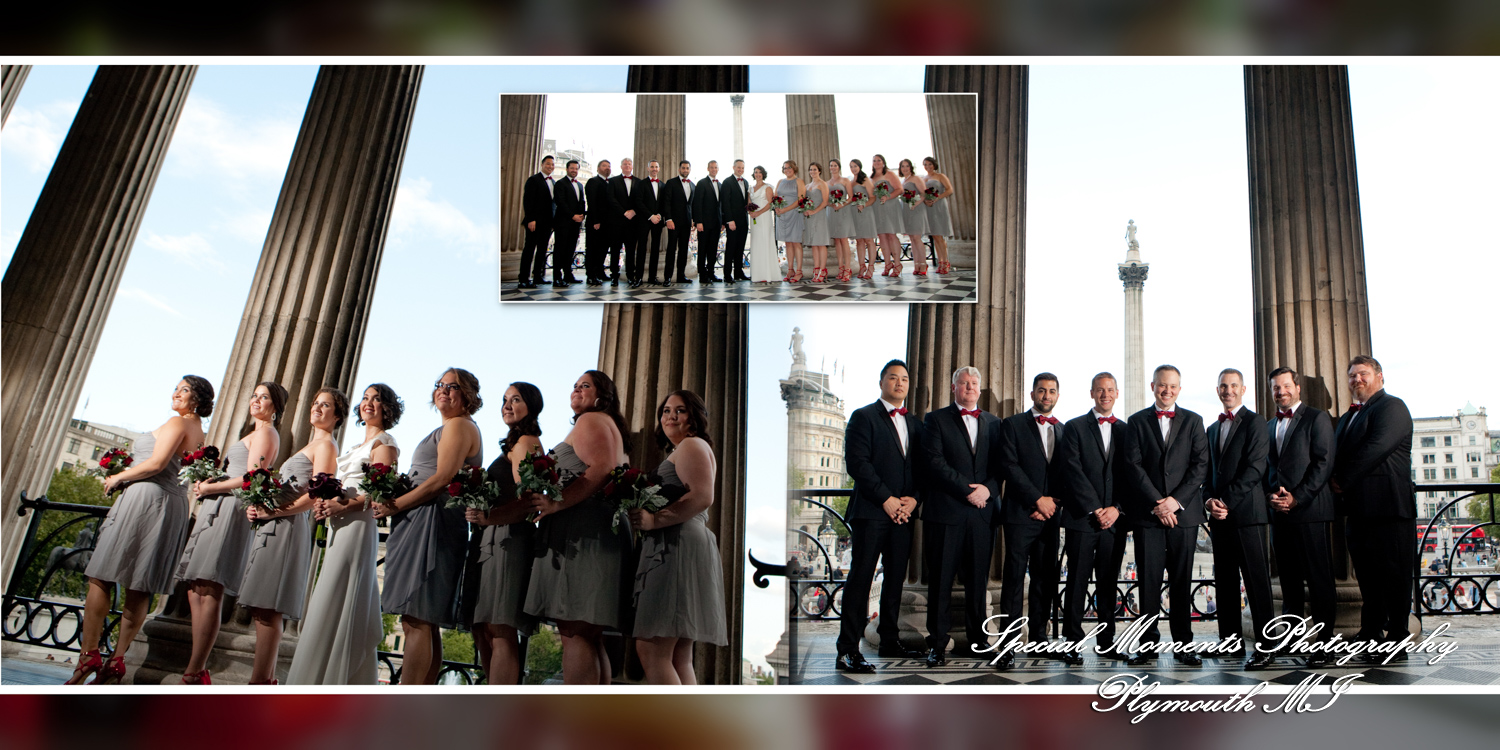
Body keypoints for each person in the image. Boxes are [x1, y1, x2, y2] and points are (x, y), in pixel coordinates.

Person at [69, 377, 212, 684]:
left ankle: (89, 655)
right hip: (171, 504)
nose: (176, 393)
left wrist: (119, 476)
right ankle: (117, 660)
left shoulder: (178, 422)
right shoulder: (199, 432)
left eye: (184, 390)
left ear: (197, 400)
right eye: (176, 387)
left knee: (100, 575)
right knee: (140, 585)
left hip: (146, 498)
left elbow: (157, 463)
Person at [373, 368, 483, 684]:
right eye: (440, 385)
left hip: (432, 521)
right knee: (423, 619)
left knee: (417, 617)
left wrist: (395, 505)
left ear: (468, 397)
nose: (443, 391)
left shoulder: (460, 425)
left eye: (453, 387)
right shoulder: (449, 427)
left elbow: (442, 478)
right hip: (422, 518)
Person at [287, 383, 402, 685]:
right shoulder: (355, 448)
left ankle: (333, 680)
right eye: (365, 398)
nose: (369, 403)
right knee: (329, 597)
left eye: (377, 400)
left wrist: (341, 507)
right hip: (339, 528)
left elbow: (377, 492)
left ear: (388, 409)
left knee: (341, 595)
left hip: (358, 529)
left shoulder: (385, 445)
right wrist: (328, 504)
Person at [176, 380, 287, 684]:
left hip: (231, 510)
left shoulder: (266, 433)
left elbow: (252, 477)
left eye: (263, 397)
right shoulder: (252, 433)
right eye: (254, 395)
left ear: (274, 406)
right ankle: (197, 668)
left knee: (210, 588)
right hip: (217, 506)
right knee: (195, 588)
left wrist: (211, 485)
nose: (256, 400)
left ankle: (195, 669)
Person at [524, 370, 631, 684]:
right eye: (575, 386)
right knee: (589, 634)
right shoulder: (609, 427)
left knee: (573, 631)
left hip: (584, 532)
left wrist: (556, 503)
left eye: (585, 386)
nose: (576, 390)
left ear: (602, 396)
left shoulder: (592, 420)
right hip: (600, 529)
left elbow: (601, 470)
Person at [239, 387, 345, 684]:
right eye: (315, 403)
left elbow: (316, 495)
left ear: (337, 416)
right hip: (276, 522)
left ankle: (259, 684)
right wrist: (260, 506)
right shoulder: (313, 445)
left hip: (287, 527)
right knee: (262, 608)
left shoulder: (325, 446)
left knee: (268, 609)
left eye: (326, 406)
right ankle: (265, 681)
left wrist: (274, 512)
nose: (317, 409)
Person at [629, 390, 729, 684]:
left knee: (651, 649)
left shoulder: (691, 446)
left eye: (680, 410)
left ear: (694, 418)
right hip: (681, 543)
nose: (670, 415)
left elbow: (702, 496)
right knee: (677, 656)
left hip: (677, 545)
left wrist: (654, 519)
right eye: (666, 410)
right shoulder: (686, 449)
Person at [838, 360, 924, 672]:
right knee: (860, 579)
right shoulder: (863, 417)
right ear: (881, 382)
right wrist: (887, 500)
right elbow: (857, 464)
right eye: (893, 377)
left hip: (904, 514)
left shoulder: (916, 424)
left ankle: (889, 638)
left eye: (904, 378)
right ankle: (847, 649)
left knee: (895, 579)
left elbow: (921, 469)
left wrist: (913, 500)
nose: (899, 383)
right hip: (872, 511)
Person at [1121, 364, 1208, 666]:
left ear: (1179, 389)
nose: (1166, 390)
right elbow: (1133, 466)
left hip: (1184, 515)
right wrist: (1159, 503)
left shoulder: (1195, 421)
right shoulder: (1136, 421)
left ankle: (1184, 645)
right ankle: (1147, 646)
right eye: (1161, 385)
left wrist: (1175, 502)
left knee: (1182, 581)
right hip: (1149, 515)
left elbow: (1200, 466)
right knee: (1148, 583)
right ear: (1153, 386)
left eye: (1172, 386)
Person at [1332, 355, 1415, 657]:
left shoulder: (1393, 406)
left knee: (1395, 575)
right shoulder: (1347, 417)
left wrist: (1342, 478)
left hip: (1389, 508)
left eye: (1363, 374)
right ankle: (1370, 632)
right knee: (1367, 578)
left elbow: (1376, 447)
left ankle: (1397, 636)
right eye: (1352, 375)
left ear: (1380, 376)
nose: (1357, 380)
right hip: (1358, 510)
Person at [919, 366, 1001, 668]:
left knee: (978, 583)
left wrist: (988, 491)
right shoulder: (936, 419)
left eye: (974, 383)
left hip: (982, 514)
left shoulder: (994, 423)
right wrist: (968, 490)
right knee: (940, 580)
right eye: (963, 382)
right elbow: (933, 462)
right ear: (953, 387)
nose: (969, 387)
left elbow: (1001, 466)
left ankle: (979, 641)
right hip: (947, 512)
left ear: (979, 388)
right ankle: (937, 644)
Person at [465, 383, 544, 685]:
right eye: (505, 400)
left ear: (532, 406)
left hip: (509, 541)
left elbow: (529, 499)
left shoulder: (526, 442)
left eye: (516, 400)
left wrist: (489, 517)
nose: (507, 405)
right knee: (485, 628)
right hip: (492, 538)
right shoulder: (514, 444)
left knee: (500, 628)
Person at [995, 373, 1068, 668]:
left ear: (1057, 396)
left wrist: (1053, 502)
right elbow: (1009, 466)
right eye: (1042, 390)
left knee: (1044, 580)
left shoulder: (1064, 431)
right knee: (1013, 580)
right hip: (1020, 514)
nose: (1046, 395)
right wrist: (1037, 500)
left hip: (1051, 517)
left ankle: (1039, 640)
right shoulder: (1012, 425)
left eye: (1052, 391)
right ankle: (1008, 643)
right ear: (1032, 394)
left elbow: (1068, 472)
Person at [1264, 368, 1336, 667]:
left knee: (1320, 581)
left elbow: (1323, 463)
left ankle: (1324, 645)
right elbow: (1268, 468)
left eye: (1285, 386)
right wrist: (1272, 496)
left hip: (1310, 511)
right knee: (1290, 582)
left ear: (1298, 389)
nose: (1280, 392)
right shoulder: (1268, 425)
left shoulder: (1317, 418)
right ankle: (1292, 639)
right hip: (1280, 514)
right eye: (1275, 388)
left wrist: (1297, 497)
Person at [1203, 368, 1274, 669]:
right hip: (1220, 518)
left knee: (1257, 583)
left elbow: (1255, 469)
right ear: (1217, 390)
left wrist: (1226, 502)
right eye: (1223, 386)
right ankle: (1230, 644)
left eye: (1233, 385)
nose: (1228, 390)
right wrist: (1209, 501)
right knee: (1226, 583)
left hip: (1248, 516)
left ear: (1243, 389)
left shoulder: (1256, 422)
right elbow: (1206, 473)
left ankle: (1267, 647)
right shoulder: (1211, 429)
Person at [1057, 372, 1131, 662]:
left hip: (1115, 521)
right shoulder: (1074, 428)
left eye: (1110, 390)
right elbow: (1071, 471)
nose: (1105, 395)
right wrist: (1095, 508)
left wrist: (1117, 508)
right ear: (1091, 393)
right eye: (1100, 390)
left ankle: (1106, 642)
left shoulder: (1126, 430)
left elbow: (1131, 476)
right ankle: (1072, 643)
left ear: (1116, 393)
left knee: (1108, 583)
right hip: (1082, 519)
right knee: (1076, 582)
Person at [518, 154, 556, 290]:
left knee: (542, 251)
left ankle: (538, 276)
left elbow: (553, 204)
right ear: (542, 164)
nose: (550, 166)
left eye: (552, 164)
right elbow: (528, 201)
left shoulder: (553, 182)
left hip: (547, 223)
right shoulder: (533, 180)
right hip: (534, 222)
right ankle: (523, 278)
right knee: (529, 250)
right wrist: (531, 219)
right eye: (548, 164)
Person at [551, 159, 586, 287]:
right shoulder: (560, 184)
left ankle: (568, 274)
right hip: (563, 222)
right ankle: (557, 277)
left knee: (571, 249)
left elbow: (581, 201)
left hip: (576, 223)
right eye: (572, 168)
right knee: (560, 249)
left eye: (576, 169)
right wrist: (573, 216)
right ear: (567, 169)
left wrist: (581, 216)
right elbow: (561, 202)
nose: (574, 171)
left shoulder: (580, 185)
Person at [608, 158, 642, 287]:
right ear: (621, 166)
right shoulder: (613, 181)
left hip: (633, 223)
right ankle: (614, 276)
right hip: (617, 221)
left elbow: (640, 200)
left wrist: (633, 211)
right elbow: (611, 199)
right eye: (625, 164)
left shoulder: (639, 182)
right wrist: (624, 212)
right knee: (615, 249)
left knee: (631, 250)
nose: (627, 166)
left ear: (632, 166)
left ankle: (630, 275)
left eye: (629, 164)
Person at [584, 159, 617, 286]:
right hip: (596, 222)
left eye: (609, 166)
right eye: (604, 166)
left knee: (603, 249)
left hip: (608, 223)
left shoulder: (610, 182)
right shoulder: (593, 182)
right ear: (598, 168)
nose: (607, 168)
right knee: (593, 249)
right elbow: (592, 202)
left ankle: (600, 272)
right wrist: (596, 220)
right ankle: (591, 275)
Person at [634, 160, 667, 287]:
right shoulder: (641, 184)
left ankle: (652, 277)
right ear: (648, 169)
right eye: (652, 167)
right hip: (644, 220)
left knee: (655, 250)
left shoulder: (663, 185)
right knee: (641, 248)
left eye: (656, 167)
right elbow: (638, 202)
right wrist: (650, 216)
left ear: (659, 169)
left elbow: (665, 203)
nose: (654, 169)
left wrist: (659, 215)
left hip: (658, 221)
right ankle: (639, 278)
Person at [871, 154, 905, 277]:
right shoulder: (872, 177)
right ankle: (887, 263)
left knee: (891, 235)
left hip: (890, 206)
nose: (876, 162)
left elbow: (899, 189)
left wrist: (887, 196)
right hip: (877, 208)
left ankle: (897, 264)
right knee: (882, 236)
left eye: (879, 160)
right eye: (874, 161)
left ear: (883, 162)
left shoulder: (889, 174)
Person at [663, 160, 695, 286]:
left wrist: (693, 220)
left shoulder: (692, 185)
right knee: (671, 249)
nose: (685, 170)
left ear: (689, 170)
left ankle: (681, 276)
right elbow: (667, 202)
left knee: (683, 250)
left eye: (687, 168)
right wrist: (668, 219)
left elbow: (692, 205)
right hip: (673, 222)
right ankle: (667, 277)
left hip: (687, 223)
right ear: (679, 169)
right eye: (683, 168)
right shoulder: (671, 183)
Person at [746, 166, 780, 283]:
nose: (758, 174)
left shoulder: (768, 187)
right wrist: (751, 212)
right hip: (754, 219)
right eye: (756, 172)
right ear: (753, 174)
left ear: (763, 174)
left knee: (765, 241)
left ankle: (768, 273)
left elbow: (770, 204)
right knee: (756, 242)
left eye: (760, 172)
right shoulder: (750, 188)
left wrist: (759, 213)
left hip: (764, 217)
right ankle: (757, 274)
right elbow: (749, 202)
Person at [693, 160, 725, 283]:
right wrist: (698, 222)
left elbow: (721, 205)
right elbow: (697, 204)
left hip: (716, 223)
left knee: (713, 249)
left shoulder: (720, 185)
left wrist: (722, 221)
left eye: (715, 167)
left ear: (718, 169)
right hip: (704, 224)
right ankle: (702, 275)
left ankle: (711, 273)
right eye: (711, 167)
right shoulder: (701, 183)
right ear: (708, 169)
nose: (713, 169)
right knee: (702, 250)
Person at [922, 157, 955, 274]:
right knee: (935, 236)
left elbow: (949, 190)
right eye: (925, 164)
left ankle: (945, 262)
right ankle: (940, 261)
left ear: (934, 165)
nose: (927, 166)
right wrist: (926, 200)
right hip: (929, 208)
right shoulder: (924, 178)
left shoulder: (940, 176)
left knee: (940, 235)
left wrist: (937, 198)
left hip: (939, 206)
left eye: (929, 164)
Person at [774, 160, 806, 283]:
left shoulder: (799, 181)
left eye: (789, 168)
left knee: (796, 242)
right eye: (785, 168)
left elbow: (800, 199)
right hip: (782, 216)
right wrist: (777, 207)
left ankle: (799, 271)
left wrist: (786, 209)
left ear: (794, 169)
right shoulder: (780, 182)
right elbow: (776, 197)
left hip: (794, 214)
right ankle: (790, 269)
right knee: (788, 243)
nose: (787, 170)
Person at [721, 160, 751, 282]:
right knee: (731, 248)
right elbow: (725, 203)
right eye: (738, 167)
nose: (740, 170)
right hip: (732, 221)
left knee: (740, 248)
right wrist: (729, 220)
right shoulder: (727, 182)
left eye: (742, 168)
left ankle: (738, 272)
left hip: (743, 221)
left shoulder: (746, 182)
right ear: (733, 167)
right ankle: (727, 274)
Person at [847, 159, 878, 281]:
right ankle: (862, 266)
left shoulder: (866, 180)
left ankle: (871, 266)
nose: (853, 168)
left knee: (869, 240)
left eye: (855, 166)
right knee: (859, 240)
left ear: (860, 167)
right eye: (851, 166)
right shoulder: (851, 181)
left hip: (865, 212)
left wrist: (864, 205)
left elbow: (872, 197)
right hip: (855, 213)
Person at [898, 159, 929, 275]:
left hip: (916, 209)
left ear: (911, 167)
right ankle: (916, 264)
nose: (905, 168)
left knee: (917, 237)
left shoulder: (916, 178)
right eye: (902, 166)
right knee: (912, 238)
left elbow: (924, 193)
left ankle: (923, 264)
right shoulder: (904, 180)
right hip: (906, 210)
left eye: (907, 166)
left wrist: (916, 203)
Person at [802, 162, 832, 284]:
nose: (812, 171)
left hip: (819, 215)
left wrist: (814, 211)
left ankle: (823, 270)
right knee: (814, 244)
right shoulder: (808, 185)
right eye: (810, 169)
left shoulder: (822, 184)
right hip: (809, 217)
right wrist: (805, 210)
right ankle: (816, 268)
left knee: (821, 243)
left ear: (819, 171)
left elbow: (825, 201)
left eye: (815, 169)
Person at [826, 159, 854, 282]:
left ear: (839, 167)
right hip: (832, 212)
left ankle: (848, 268)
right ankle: (840, 267)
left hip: (843, 211)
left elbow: (851, 197)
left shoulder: (845, 180)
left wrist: (842, 204)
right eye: (831, 165)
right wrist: (831, 204)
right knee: (836, 240)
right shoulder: (827, 182)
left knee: (843, 239)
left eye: (835, 165)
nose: (833, 167)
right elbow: (825, 199)